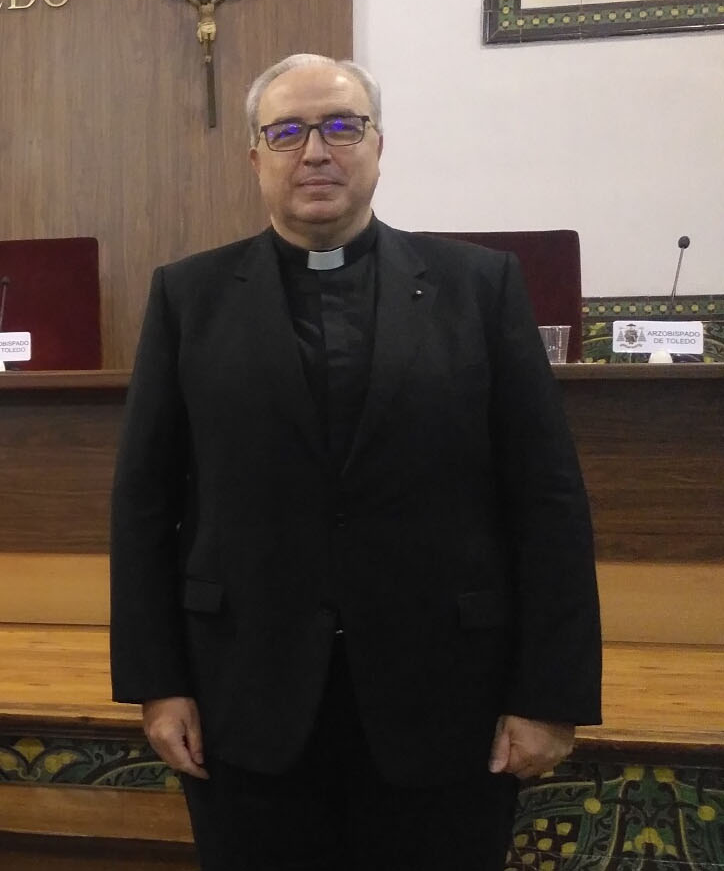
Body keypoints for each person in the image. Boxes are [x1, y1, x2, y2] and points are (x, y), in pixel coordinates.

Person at [109, 54, 601, 870]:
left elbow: (547, 500)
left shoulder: (479, 289)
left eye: (342, 127)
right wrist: (158, 684)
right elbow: (143, 505)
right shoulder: (188, 299)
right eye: (288, 132)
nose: (316, 152)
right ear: (255, 155)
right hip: (245, 700)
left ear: (379, 146)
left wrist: (550, 695)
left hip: (448, 703)